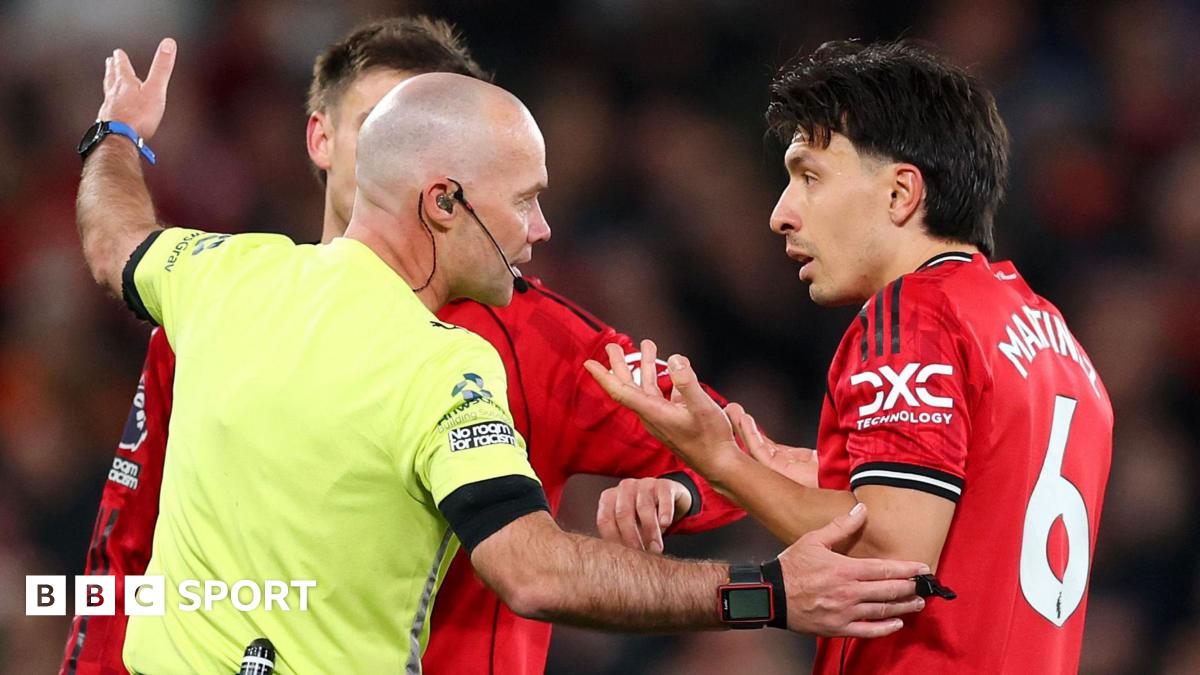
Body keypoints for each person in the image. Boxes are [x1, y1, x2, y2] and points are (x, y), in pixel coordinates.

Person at [73, 39, 929, 673]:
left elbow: (115, 240)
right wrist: (767, 593)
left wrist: (116, 135)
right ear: (442, 202)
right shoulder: (442, 365)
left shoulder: (225, 273)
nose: (543, 229)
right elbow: (533, 569)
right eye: (525, 201)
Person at [588, 40, 1113, 673]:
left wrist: (721, 462)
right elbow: (939, 493)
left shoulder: (915, 314)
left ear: (900, 193)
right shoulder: (1048, 333)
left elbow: (892, 553)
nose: (781, 214)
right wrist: (755, 464)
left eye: (809, 176)